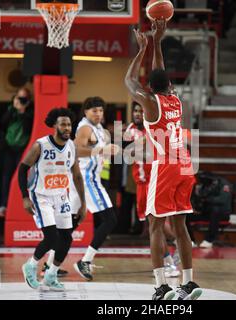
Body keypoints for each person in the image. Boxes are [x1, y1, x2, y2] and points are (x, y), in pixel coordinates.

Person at [125, 20, 203, 301]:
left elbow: (129, 81)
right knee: (180, 225)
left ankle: (161, 286)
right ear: (169, 86)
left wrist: (142, 48)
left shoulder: (148, 102)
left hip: (166, 166)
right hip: (185, 165)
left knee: (156, 226)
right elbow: (160, 73)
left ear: (151, 89)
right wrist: (157, 41)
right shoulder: (176, 101)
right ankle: (189, 282)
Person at [20, 108, 86, 291]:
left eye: (69, 124)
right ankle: (30, 265)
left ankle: (51, 275)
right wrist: (25, 197)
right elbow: (21, 169)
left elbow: (77, 176)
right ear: (54, 126)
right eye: (63, 124)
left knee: (66, 237)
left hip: (61, 196)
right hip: (41, 196)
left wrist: (83, 205)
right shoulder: (40, 145)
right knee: (51, 237)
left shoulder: (71, 146)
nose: (67, 128)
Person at [124, 102, 180, 278]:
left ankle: (173, 259)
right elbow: (127, 155)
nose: (138, 114)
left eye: (141, 110)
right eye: (136, 111)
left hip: (154, 180)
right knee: (154, 225)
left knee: (156, 225)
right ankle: (177, 250)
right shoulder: (130, 130)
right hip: (141, 182)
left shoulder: (154, 129)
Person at [73, 96, 121, 281]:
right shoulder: (85, 127)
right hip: (87, 179)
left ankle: (50, 263)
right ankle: (85, 260)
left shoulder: (99, 128)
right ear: (85, 112)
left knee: (70, 223)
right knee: (110, 220)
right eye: (95, 110)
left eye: (101, 110)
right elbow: (76, 150)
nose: (99, 114)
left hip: (85, 178)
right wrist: (102, 151)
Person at [0, 87, 34, 219]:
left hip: (23, 150)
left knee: (21, 177)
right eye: (19, 97)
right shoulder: (11, 110)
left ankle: (22, 202)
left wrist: (23, 111)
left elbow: (28, 127)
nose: (21, 100)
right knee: (6, 177)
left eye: (24, 98)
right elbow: (3, 123)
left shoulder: (30, 112)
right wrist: (14, 108)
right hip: (9, 149)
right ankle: (3, 205)